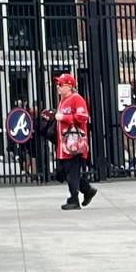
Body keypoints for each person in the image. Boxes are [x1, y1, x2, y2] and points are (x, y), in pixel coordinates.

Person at [51, 71, 93, 210]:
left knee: (71, 172)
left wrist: (64, 117)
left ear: (69, 86)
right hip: (64, 145)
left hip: (74, 144)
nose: (58, 86)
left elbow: (82, 116)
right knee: (63, 172)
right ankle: (87, 189)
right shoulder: (62, 101)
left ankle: (74, 199)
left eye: (60, 84)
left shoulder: (77, 99)